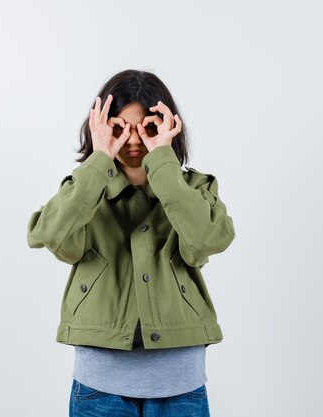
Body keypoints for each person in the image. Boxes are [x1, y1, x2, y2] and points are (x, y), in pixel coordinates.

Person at [27, 69, 236, 417]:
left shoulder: (195, 189)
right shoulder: (84, 190)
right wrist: (99, 159)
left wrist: (163, 164)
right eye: (121, 127)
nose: (135, 140)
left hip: (179, 383)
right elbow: (50, 236)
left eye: (149, 127)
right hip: (100, 384)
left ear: (170, 128)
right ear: (102, 127)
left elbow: (206, 240)